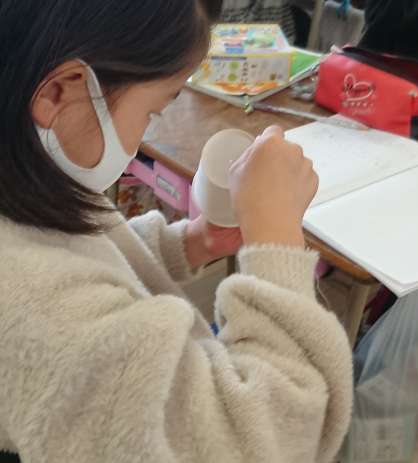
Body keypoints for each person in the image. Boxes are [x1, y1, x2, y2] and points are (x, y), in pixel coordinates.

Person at [0, 1, 352, 462]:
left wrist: (190, 243)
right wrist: (276, 241)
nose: (142, 135)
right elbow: (268, 438)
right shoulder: (46, 319)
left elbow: (72, 258)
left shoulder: (24, 181)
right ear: (57, 93)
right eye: (152, 113)